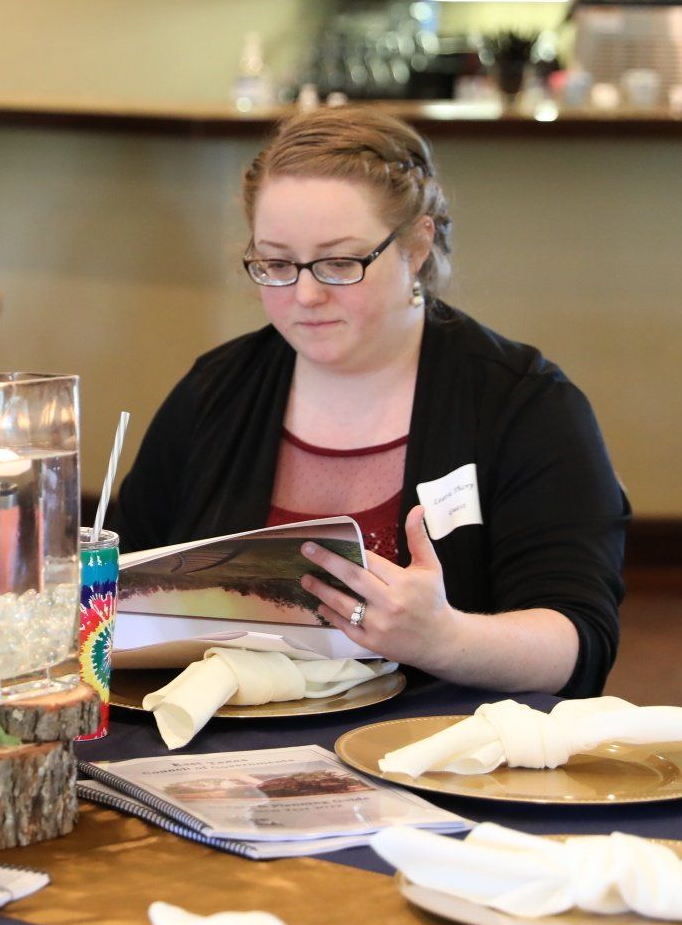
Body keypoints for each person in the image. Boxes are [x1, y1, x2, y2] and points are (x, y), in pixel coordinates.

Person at [112, 108, 625, 698]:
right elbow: (116, 595)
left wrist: (445, 639)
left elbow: (580, 645)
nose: (305, 295)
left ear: (416, 247)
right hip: (220, 758)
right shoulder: (215, 393)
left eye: (338, 263)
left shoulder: (524, 405)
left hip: (434, 757)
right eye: (276, 264)